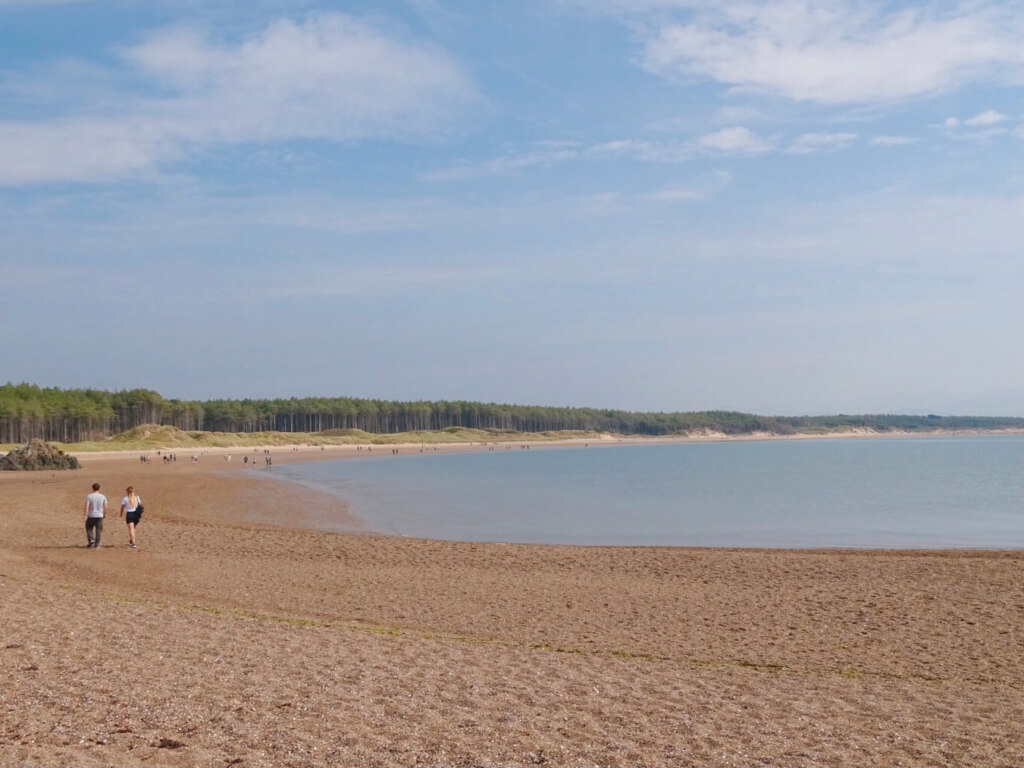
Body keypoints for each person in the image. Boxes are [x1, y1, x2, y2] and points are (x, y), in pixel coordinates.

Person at [84, 482, 108, 548]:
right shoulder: (102, 496)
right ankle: (97, 544)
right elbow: (106, 506)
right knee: (99, 530)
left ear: (92, 488)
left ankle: (91, 539)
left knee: (88, 527)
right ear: (99, 488)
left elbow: (86, 506)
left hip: (91, 515)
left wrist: (85, 515)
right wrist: (105, 514)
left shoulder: (89, 496)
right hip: (99, 515)